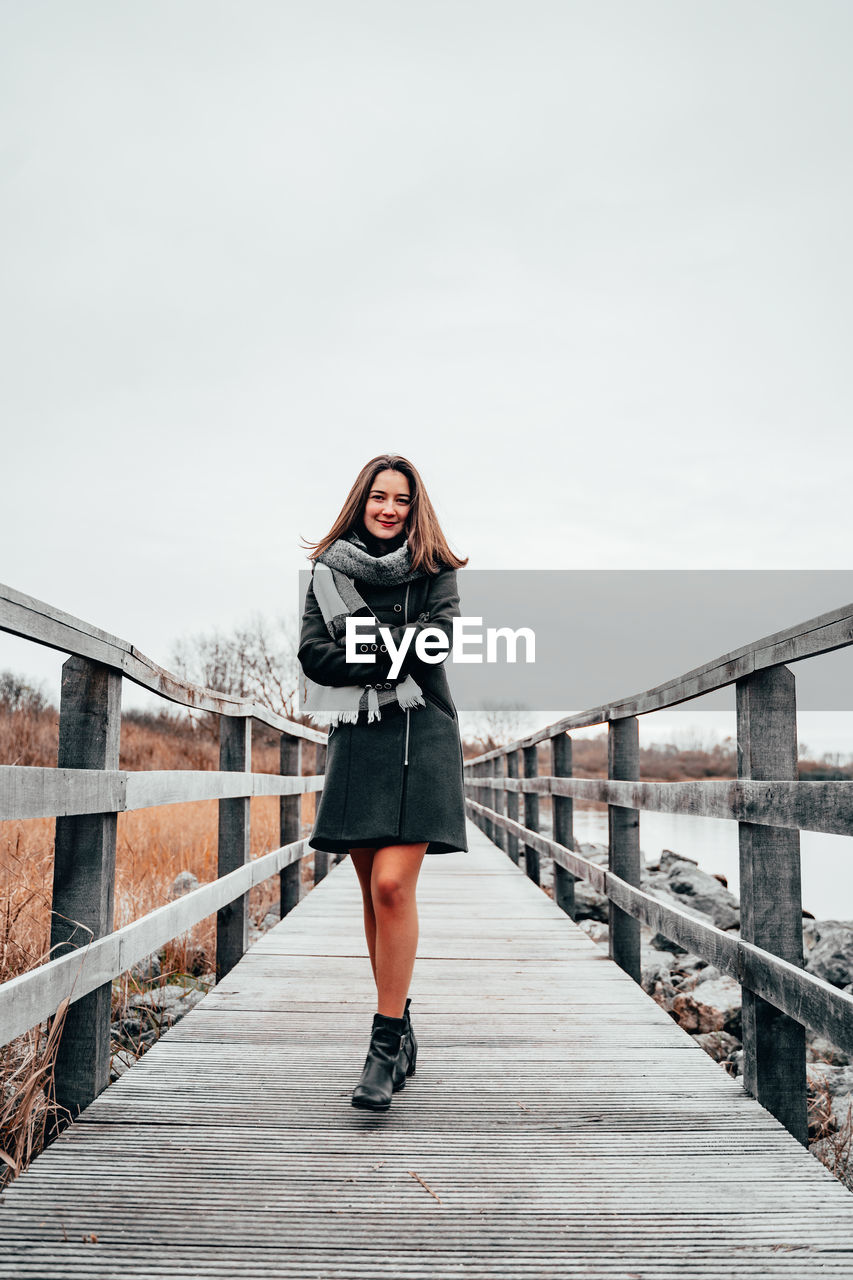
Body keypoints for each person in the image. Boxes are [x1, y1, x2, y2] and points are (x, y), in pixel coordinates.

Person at [297, 454, 468, 1111]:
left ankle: (383, 1044)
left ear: (414, 506)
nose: (389, 508)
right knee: (371, 894)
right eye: (378, 498)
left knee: (394, 886)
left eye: (400, 498)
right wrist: (391, 642)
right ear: (360, 502)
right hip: (360, 740)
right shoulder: (326, 574)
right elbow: (315, 657)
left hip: (421, 738)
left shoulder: (437, 572)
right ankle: (399, 1018)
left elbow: (436, 645)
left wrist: (362, 645)